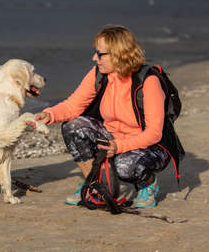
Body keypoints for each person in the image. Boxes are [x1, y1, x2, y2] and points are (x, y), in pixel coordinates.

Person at [35, 24, 171, 208]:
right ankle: (95, 183)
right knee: (72, 126)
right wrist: (49, 114)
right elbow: (73, 106)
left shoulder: (148, 81)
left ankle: (148, 184)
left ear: (118, 54)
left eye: (100, 54)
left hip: (150, 146)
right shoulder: (99, 74)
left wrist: (119, 146)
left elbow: (154, 133)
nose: (94, 58)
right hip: (112, 138)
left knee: (124, 166)